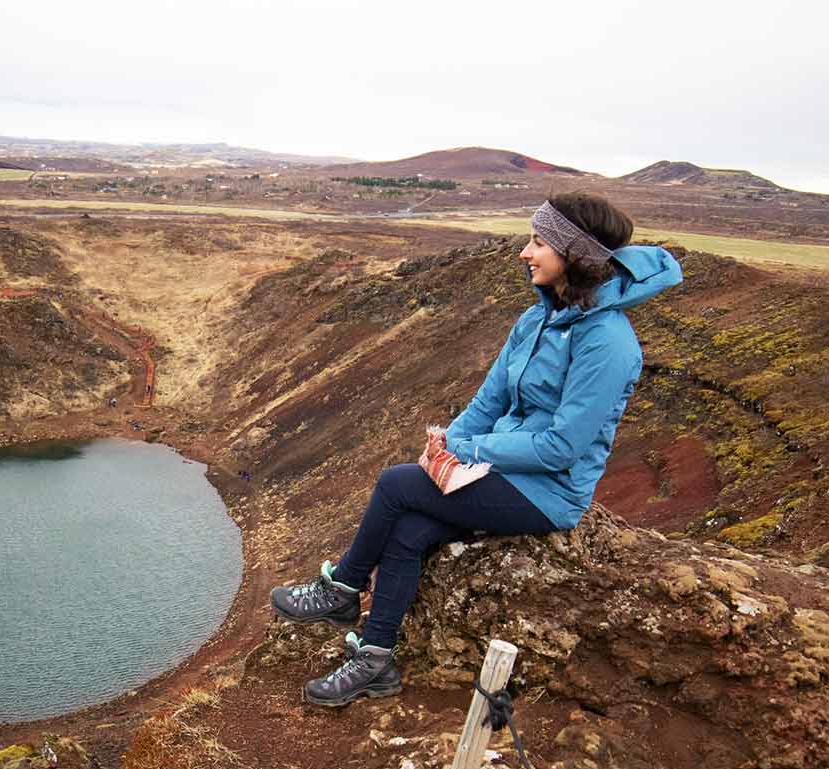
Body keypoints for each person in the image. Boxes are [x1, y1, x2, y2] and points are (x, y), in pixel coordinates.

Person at [271, 193, 682, 706]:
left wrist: (468, 448)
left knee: (396, 484)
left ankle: (343, 590)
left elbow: (561, 447)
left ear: (574, 254)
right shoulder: (536, 321)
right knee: (410, 530)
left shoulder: (608, 343)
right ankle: (375, 661)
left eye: (538, 242)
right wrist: (446, 446)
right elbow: (488, 400)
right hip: (500, 470)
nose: (524, 253)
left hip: (549, 492)